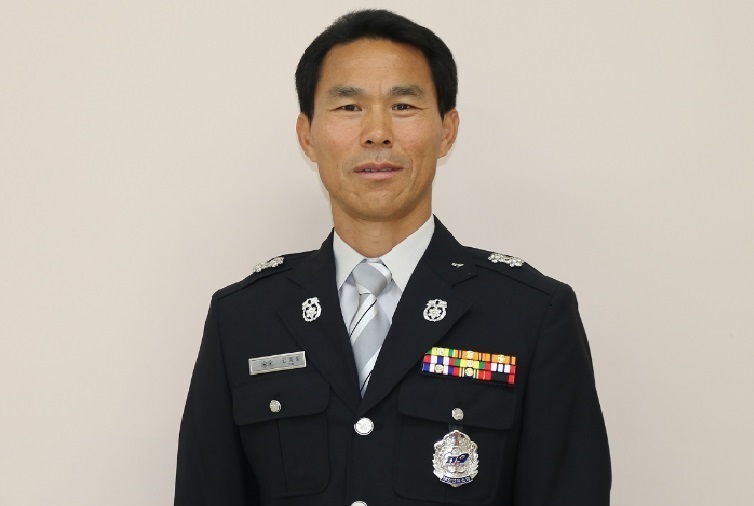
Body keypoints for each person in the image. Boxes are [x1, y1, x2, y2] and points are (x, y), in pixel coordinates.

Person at [175, 9, 610, 506]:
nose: (377, 133)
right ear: (307, 135)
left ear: (447, 130)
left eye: (403, 105)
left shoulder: (530, 314)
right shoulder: (244, 317)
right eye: (349, 107)